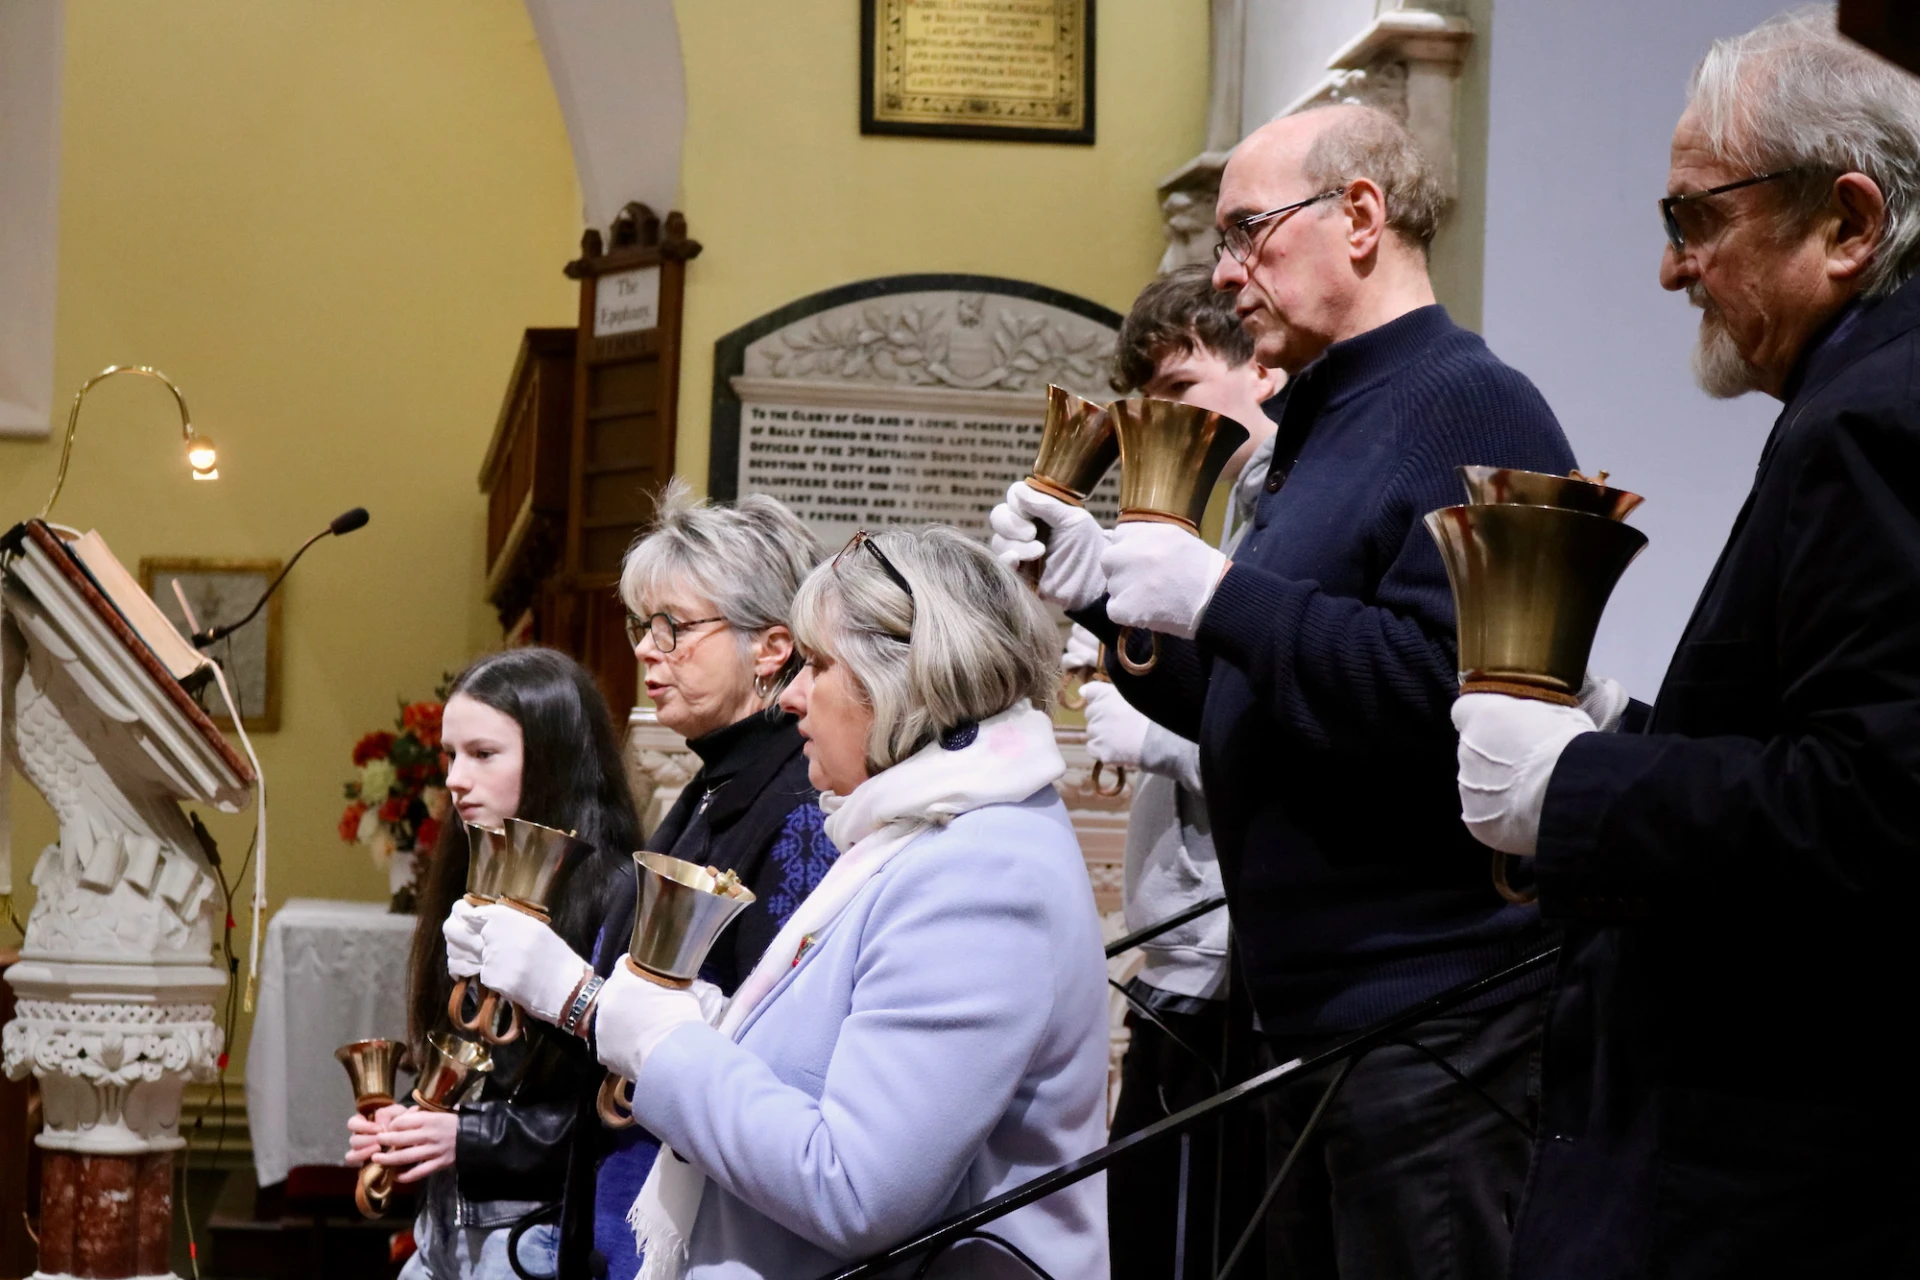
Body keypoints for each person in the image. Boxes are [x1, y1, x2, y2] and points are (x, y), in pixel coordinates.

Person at [994, 104, 1582, 1277]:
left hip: (1429, 1023)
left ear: (1360, 216)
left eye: (1249, 230)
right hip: (1314, 1013)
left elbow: (1442, 699)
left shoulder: (1471, 405)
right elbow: (1259, 699)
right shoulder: (1327, 415)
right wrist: (1102, 598)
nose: (1223, 270)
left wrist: (1216, 594)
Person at [1453, 12, 1920, 1276]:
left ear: (1850, 221)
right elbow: (1809, 733)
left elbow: (1874, 807)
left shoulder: (1872, 418)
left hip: (1780, 1176)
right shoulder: (1856, 394)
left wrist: (1575, 787)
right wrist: (1623, 729)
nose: (1672, 270)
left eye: (1694, 220)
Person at [453, 526, 1112, 1279]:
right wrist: (669, 1013)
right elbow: (812, 1054)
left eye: (821, 665)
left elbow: (854, 1189)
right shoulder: (916, 833)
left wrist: (632, 1026)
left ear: (901, 678)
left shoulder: (979, 873)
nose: (793, 694)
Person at [540, 481, 836, 1280]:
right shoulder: (714, 784)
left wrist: (570, 992)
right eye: (644, 625)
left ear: (771, 647)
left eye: (674, 627)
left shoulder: (799, 803)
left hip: (708, 1211)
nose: (645, 648)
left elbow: (777, 1041)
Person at [1071, 263, 1280, 1280]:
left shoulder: (1282, 510)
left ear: (1263, 371)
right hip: (1185, 958)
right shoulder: (1238, 507)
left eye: (1185, 391)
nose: (1170, 424)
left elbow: (1289, 738)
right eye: (1151, 405)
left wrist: (1162, 740)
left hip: (1228, 959)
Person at [346, 647, 642, 1280]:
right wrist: (412, 1120)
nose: (455, 777)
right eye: (451, 754)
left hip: (532, 1235)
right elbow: (474, 1064)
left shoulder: (617, 891)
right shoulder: (471, 876)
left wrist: (465, 1138)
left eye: (482, 754)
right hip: (445, 1226)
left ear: (552, 758)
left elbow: (621, 1109)